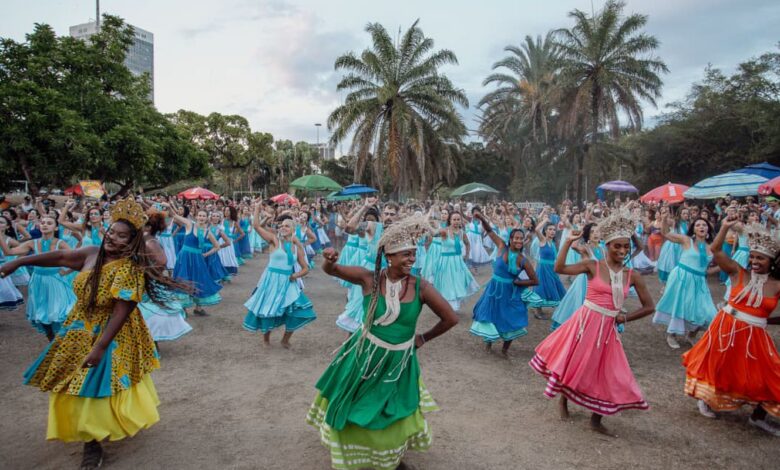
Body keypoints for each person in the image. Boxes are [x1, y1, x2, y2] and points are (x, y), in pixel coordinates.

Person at [0, 198, 188, 470]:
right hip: (78, 329)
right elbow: (61, 257)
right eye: (111, 231)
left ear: (132, 241)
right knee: (71, 382)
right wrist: (18, 263)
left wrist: (101, 346)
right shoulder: (91, 253)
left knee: (101, 384)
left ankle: (93, 442)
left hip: (113, 332)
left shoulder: (129, 269)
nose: (112, 237)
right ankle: (91, 435)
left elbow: (122, 310)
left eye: (121, 236)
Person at [309, 215, 458, 470]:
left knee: (392, 410)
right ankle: (354, 452)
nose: (412, 259)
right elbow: (332, 270)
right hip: (363, 355)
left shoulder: (421, 287)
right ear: (389, 257)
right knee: (355, 405)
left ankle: (390, 456)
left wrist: (422, 337)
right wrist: (329, 260)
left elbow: (450, 318)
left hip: (398, 361)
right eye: (406, 255)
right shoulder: (370, 279)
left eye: (414, 254)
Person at [529, 210, 655, 436]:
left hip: (608, 330)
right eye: (617, 246)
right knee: (575, 363)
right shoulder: (593, 266)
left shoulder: (632, 275)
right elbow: (559, 269)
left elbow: (649, 306)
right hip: (584, 325)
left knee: (608, 371)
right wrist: (567, 243)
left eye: (626, 247)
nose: (622, 251)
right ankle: (564, 401)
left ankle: (596, 420)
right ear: (607, 245)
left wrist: (624, 317)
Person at [682, 219, 780, 435]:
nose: (754, 261)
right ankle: (706, 400)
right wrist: (724, 226)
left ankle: (758, 416)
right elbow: (715, 249)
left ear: (771, 260)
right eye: (752, 256)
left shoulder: (777, 285)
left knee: (768, 375)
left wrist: (764, 321)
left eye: (760, 258)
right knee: (719, 366)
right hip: (727, 327)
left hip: (756, 335)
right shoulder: (738, 272)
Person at [243, 206, 316, 347]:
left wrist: (296, 275)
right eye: (281, 225)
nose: (283, 228)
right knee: (269, 309)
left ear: (293, 229)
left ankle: (285, 339)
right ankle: (266, 339)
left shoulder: (296, 246)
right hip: (271, 281)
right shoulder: (274, 240)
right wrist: (257, 209)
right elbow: (257, 226)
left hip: (289, 282)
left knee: (297, 310)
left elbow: (306, 268)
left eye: (287, 226)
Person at [470, 213, 538, 356]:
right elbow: (489, 231)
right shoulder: (501, 246)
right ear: (511, 239)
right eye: (516, 238)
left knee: (511, 317)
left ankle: (505, 349)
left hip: (510, 292)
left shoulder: (523, 260)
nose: (519, 241)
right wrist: (482, 218)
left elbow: (535, 280)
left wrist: (520, 282)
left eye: (521, 239)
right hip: (494, 289)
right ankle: (488, 343)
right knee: (491, 314)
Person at [0, 213, 76, 340]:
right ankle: (51, 340)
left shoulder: (60, 244)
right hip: (38, 280)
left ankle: (61, 341)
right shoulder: (32, 243)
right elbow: (9, 252)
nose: (45, 225)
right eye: (43, 223)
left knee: (59, 312)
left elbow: (76, 259)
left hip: (55, 280)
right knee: (42, 314)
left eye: (49, 223)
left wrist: (66, 272)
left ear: (56, 228)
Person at [653, 216, 718, 349]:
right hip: (682, 277)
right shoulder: (686, 240)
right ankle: (671, 335)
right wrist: (664, 219)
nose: (701, 227)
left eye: (704, 225)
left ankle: (691, 335)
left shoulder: (712, 247)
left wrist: (707, 272)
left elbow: (722, 264)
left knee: (708, 311)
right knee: (680, 306)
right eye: (698, 225)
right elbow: (666, 233)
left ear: (708, 229)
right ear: (693, 229)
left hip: (699, 281)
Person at [433, 211, 479, 311]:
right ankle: (450, 306)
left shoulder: (462, 232)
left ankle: (455, 304)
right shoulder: (445, 231)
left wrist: (467, 255)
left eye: (458, 219)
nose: (456, 221)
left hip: (458, 262)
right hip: (446, 262)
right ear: (450, 220)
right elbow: (433, 234)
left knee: (458, 282)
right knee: (448, 283)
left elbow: (467, 243)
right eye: (454, 219)